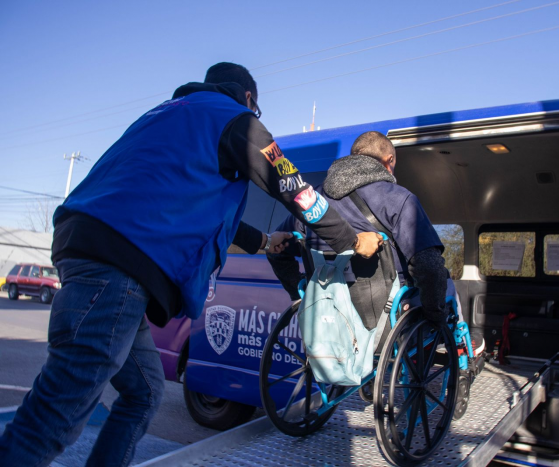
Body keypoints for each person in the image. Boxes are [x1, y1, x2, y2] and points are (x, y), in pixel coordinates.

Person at [0, 63, 383, 467]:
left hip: (88, 245)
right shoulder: (237, 120)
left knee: (144, 392)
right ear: (248, 98)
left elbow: (191, 203)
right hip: (120, 264)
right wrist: (351, 239)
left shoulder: (165, 115)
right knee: (59, 408)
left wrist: (264, 241)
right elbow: (292, 186)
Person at [268, 131, 453, 333]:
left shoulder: (312, 202)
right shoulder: (399, 198)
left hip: (327, 319)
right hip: (388, 322)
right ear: (389, 160)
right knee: (445, 282)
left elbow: (275, 248)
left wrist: (303, 294)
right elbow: (429, 266)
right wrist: (435, 316)